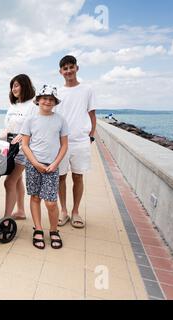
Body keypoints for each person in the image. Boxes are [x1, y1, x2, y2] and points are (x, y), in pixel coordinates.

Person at [20, 85, 69, 249]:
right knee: (35, 197)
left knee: (51, 202)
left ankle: (54, 230)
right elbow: (25, 145)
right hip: (33, 165)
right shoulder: (30, 120)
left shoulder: (60, 120)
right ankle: (38, 228)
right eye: (44, 98)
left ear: (54, 102)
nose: (47, 101)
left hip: (52, 167)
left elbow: (64, 145)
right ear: (38, 100)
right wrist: (35, 163)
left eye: (51, 99)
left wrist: (55, 164)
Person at [55, 55, 97, 229]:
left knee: (78, 176)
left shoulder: (87, 90)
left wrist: (91, 135)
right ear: (60, 72)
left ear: (77, 68)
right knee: (61, 177)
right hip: (61, 141)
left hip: (80, 141)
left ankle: (75, 212)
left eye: (71, 67)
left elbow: (92, 114)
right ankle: (63, 211)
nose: (68, 71)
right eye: (65, 68)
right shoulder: (58, 92)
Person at [2, 74, 37, 220]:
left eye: (16, 85)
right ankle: (21, 211)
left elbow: (36, 126)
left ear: (25, 85)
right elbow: (8, 126)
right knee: (17, 180)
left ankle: (6, 218)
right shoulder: (13, 105)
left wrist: (23, 135)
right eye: (12, 86)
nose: (13, 88)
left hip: (24, 148)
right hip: (10, 147)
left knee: (9, 182)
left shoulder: (33, 105)